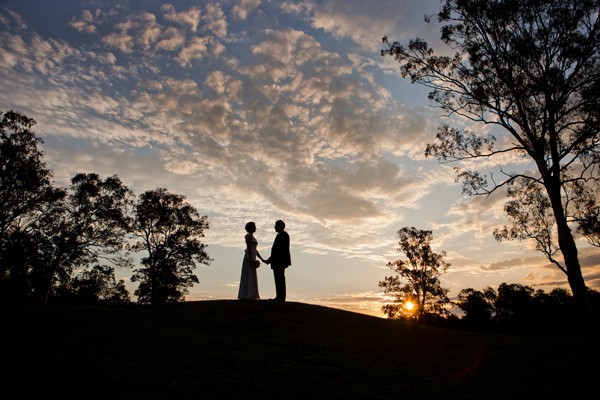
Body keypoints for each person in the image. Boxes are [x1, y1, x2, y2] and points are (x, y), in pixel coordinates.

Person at [265, 220, 291, 301]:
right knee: (278, 279)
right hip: (277, 261)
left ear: (280, 226)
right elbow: (276, 251)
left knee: (280, 279)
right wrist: (269, 260)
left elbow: (282, 250)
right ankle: (279, 296)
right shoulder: (281, 235)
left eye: (276, 225)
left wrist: (277, 259)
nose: (274, 227)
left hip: (280, 261)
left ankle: (281, 297)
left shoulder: (284, 235)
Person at [237, 221, 265, 300]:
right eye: (254, 226)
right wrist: (251, 259)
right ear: (251, 228)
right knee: (248, 274)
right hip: (249, 257)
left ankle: (251, 294)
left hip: (253, 255)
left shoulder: (252, 237)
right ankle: (247, 294)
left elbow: (255, 250)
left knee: (252, 275)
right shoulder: (248, 236)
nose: (255, 228)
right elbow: (249, 248)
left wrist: (261, 258)